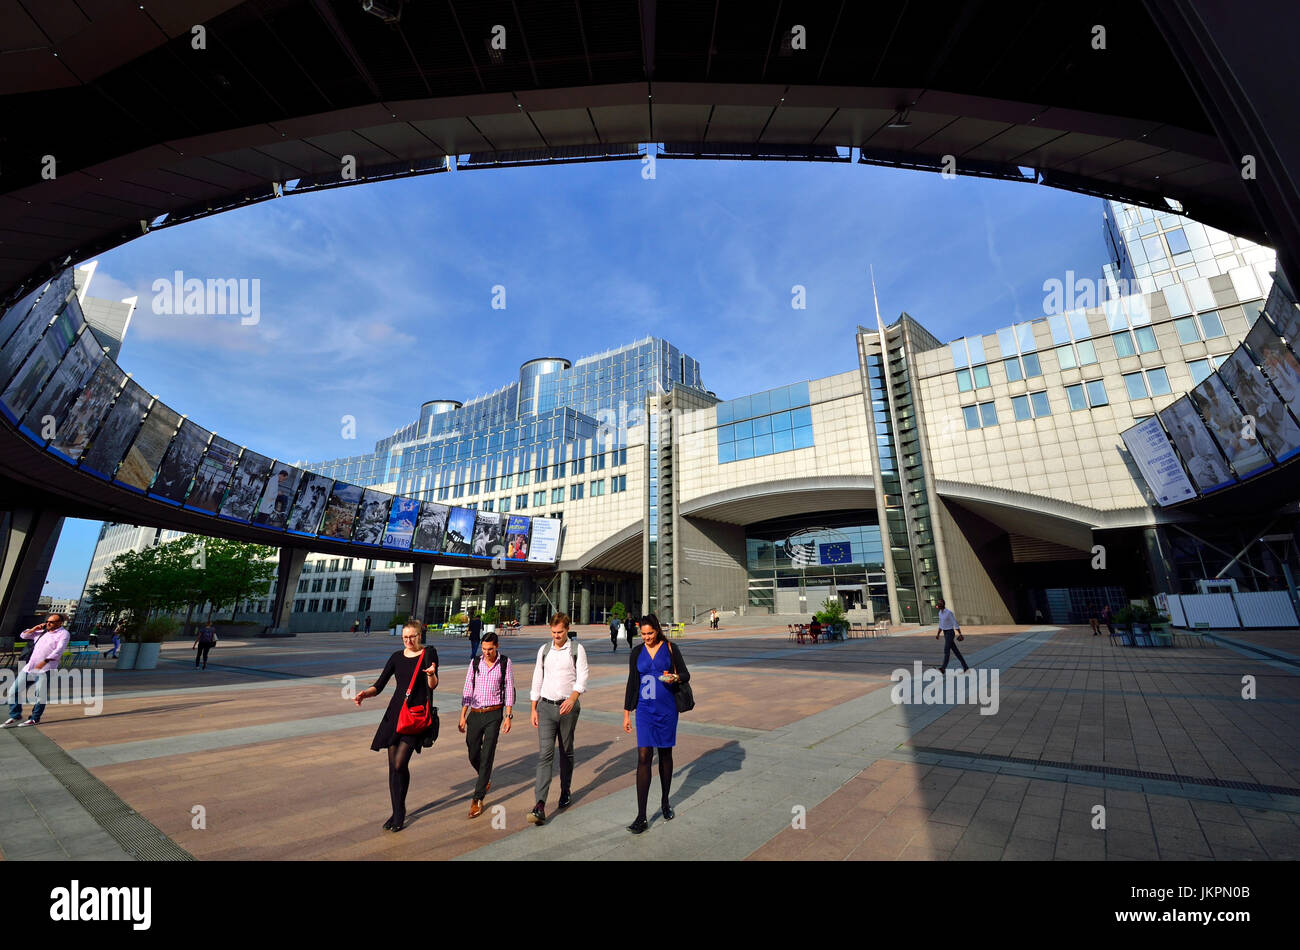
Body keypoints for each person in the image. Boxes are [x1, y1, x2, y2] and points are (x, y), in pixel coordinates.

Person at [353, 620, 439, 832]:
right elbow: (380, 685)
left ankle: (399, 811)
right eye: (405, 637)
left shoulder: (429, 654)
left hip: (415, 717)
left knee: (400, 764)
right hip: (395, 715)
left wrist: (431, 674)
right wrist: (365, 693)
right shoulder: (396, 657)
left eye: (412, 637)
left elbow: (434, 685)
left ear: (420, 635)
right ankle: (397, 812)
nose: (408, 641)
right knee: (393, 768)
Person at [622, 613, 690, 834]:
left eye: (650, 633)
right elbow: (632, 682)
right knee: (643, 756)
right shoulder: (637, 652)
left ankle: (664, 801)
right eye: (643, 634)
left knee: (665, 755)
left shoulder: (671, 648)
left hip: (667, 709)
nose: (647, 637)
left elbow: (685, 674)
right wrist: (626, 713)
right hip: (644, 710)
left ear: (658, 631)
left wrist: (675, 677)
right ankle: (641, 816)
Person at [527, 612, 589, 826]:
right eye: (553, 632)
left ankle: (565, 790)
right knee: (545, 754)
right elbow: (537, 677)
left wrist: (573, 698)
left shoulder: (576, 650)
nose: (557, 636)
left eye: (560, 632)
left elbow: (582, 677)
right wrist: (534, 707)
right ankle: (540, 804)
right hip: (545, 707)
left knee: (566, 751)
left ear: (567, 629)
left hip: (567, 708)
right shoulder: (544, 650)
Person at [458, 632, 514, 819]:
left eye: (490, 649)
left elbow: (509, 689)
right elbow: (468, 688)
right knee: (473, 752)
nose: (487, 653)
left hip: (494, 714)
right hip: (475, 713)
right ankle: (485, 777)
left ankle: (477, 798)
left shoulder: (505, 663)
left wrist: (508, 716)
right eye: (484, 649)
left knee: (488, 752)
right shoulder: (475, 663)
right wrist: (463, 715)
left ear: (497, 646)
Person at [3, 613, 70, 727]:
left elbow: (58, 651)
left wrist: (44, 662)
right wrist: (34, 628)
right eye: (48, 621)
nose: (48, 623)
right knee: (13, 691)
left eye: (51, 622)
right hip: (30, 667)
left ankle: (35, 718)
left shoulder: (63, 634)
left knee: (40, 695)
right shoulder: (42, 632)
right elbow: (23, 636)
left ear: (60, 623)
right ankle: (16, 715)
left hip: (46, 669)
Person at [935, 598, 969, 673]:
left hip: (950, 633)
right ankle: (965, 667)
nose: (939, 604)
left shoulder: (949, 613)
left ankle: (943, 668)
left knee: (946, 650)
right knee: (956, 652)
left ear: (943, 604)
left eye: (940, 603)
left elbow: (955, 623)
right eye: (938, 603)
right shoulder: (940, 613)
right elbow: (941, 624)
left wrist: (960, 633)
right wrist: (938, 634)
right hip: (945, 633)